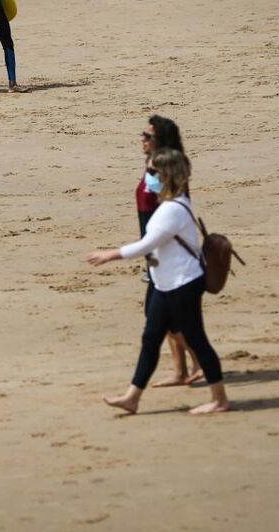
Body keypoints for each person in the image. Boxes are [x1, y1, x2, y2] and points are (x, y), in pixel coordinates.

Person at [88, 148, 230, 415]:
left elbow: (146, 245)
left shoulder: (171, 210)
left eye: (153, 172)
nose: (148, 177)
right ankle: (132, 397)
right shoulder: (173, 203)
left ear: (167, 175)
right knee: (151, 338)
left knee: (197, 340)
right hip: (165, 284)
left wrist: (108, 255)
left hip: (183, 284)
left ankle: (219, 399)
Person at [136, 115, 203, 387]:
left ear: (160, 140)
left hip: (166, 249)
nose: (142, 139)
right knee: (164, 314)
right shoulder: (155, 164)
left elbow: (167, 204)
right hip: (154, 248)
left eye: (148, 136)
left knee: (163, 315)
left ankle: (200, 361)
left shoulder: (168, 168)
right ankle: (180, 370)